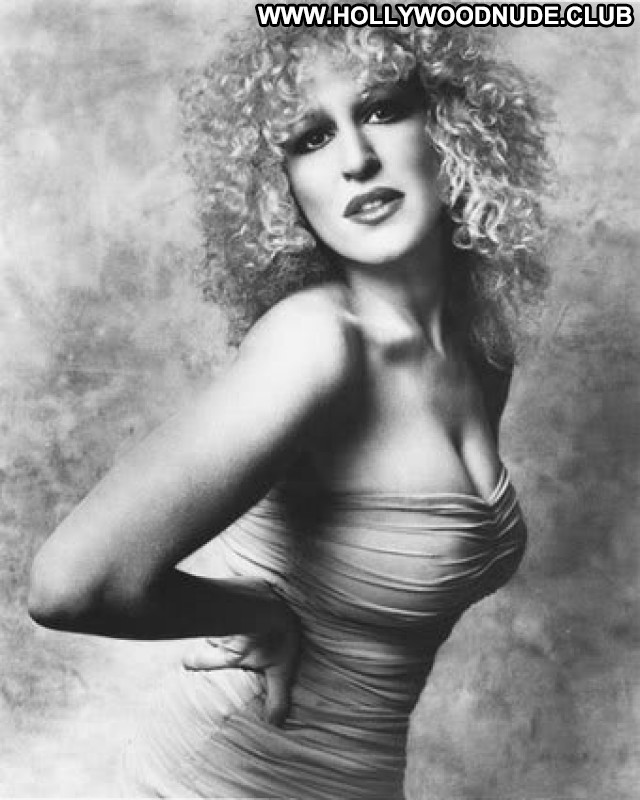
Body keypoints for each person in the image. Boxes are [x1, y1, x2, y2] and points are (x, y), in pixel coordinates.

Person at [28, 13, 550, 800]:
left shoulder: (482, 347)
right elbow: (71, 583)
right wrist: (258, 614)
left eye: (381, 108)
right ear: (282, 188)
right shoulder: (316, 343)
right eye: (311, 137)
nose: (356, 158)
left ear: (451, 128)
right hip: (222, 779)